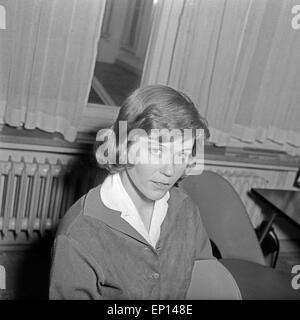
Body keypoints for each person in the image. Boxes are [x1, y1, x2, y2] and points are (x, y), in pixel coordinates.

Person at [49, 84, 215, 300]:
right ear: (124, 146)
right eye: (156, 151)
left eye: (182, 155)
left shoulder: (186, 209)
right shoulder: (79, 232)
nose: (169, 170)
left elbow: (205, 280)